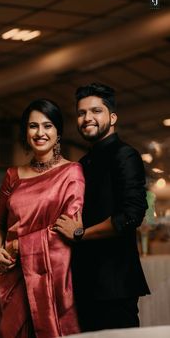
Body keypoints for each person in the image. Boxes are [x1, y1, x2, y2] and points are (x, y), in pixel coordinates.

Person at [53, 83, 150, 332]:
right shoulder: (82, 163)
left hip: (115, 285)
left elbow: (131, 215)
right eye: (82, 113)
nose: (88, 118)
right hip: (82, 283)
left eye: (96, 111)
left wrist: (81, 233)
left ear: (112, 117)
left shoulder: (125, 155)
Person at [0, 98, 85, 338]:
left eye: (47, 125)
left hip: (52, 277)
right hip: (12, 276)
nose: (40, 132)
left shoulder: (71, 172)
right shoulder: (12, 175)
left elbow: (65, 228)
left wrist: (19, 245)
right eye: (33, 126)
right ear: (25, 131)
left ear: (58, 132)